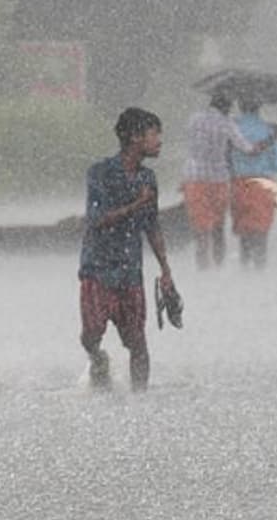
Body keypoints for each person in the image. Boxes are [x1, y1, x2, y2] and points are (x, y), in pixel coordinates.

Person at [78, 107, 176, 392]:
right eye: (154, 133)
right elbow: (96, 220)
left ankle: (140, 400)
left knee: (137, 340)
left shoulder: (148, 179)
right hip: (97, 267)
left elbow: (152, 225)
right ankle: (97, 358)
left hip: (130, 270)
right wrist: (135, 205)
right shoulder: (100, 173)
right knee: (92, 332)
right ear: (135, 137)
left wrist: (166, 269)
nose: (159, 140)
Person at [181, 93, 272, 270]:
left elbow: (189, 142)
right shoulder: (226, 123)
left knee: (200, 227)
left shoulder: (194, 119)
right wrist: (269, 140)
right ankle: (218, 266)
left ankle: (202, 268)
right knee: (217, 225)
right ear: (227, 107)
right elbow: (248, 149)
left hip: (193, 177)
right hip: (218, 178)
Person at [230, 97, 277, 269]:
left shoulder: (233, 128)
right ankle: (260, 268)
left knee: (244, 227)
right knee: (261, 227)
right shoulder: (270, 131)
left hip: (239, 182)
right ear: (259, 106)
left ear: (240, 105)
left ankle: (244, 266)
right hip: (263, 184)